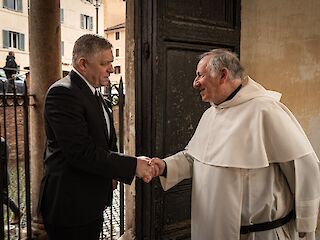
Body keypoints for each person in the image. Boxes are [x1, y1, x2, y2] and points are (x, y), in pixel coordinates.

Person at [152, 49, 320, 240]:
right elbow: (195, 157)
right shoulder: (210, 114)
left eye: (200, 75)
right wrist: (165, 166)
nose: (195, 83)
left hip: (260, 234)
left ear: (223, 75)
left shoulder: (265, 110)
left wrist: (306, 219)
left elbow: (303, 165)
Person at [38, 34, 154, 240]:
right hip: (70, 206)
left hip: (91, 201)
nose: (111, 69)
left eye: (111, 63)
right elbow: (80, 152)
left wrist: (112, 173)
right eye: (105, 63)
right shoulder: (63, 93)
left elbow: (106, 139)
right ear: (83, 64)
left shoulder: (95, 91)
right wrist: (132, 165)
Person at [1, 137, 23, 225]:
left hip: (2, 176)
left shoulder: (2, 142)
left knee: (3, 196)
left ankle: (17, 211)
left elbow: (3, 160)